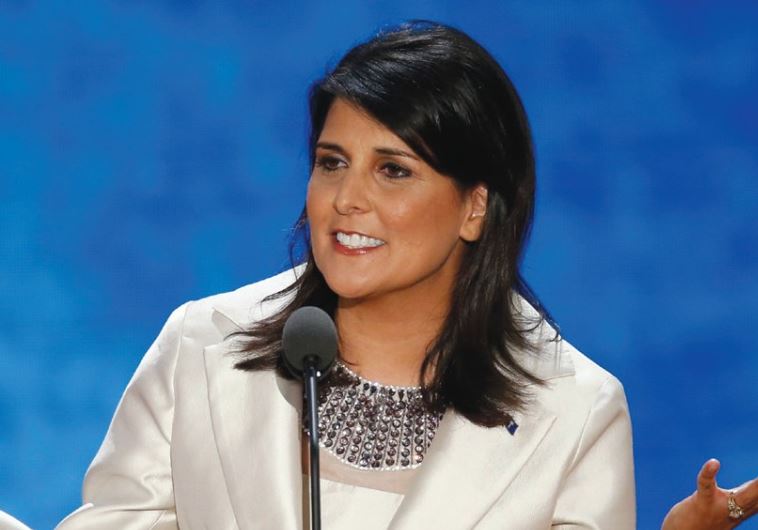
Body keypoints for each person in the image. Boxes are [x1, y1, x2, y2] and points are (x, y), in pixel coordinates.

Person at [54, 21, 753, 530]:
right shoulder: (202, 345)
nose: (345, 200)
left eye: (393, 170)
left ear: (475, 207)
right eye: (332, 162)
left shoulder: (577, 412)